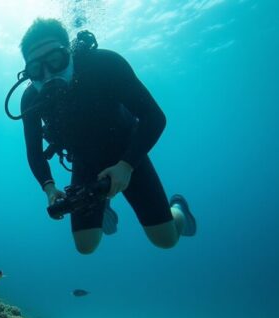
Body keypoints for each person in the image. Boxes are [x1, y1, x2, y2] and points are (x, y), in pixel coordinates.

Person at [14, 18, 197, 254]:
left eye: (55, 60)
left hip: (129, 154)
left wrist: (126, 166)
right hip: (85, 163)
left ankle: (178, 207)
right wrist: (49, 187)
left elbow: (154, 117)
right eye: (37, 68)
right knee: (85, 247)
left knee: (166, 240)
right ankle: (103, 202)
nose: (48, 74)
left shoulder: (104, 65)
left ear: (68, 52)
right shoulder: (31, 99)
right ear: (28, 71)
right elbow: (34, 152)